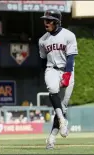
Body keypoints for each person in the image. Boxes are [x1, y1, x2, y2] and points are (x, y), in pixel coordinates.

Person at [38, 9, 78, 149]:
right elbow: (43, 60)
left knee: (63, 107)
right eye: (45, 20)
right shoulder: (42, 40)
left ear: (56, 21)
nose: (45, 22)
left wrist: (67, 74)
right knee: (52, 89)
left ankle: (51, 139)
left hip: (67, 70)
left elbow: (71, 57)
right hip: (51, 69)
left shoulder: (68, 35)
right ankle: (62, 120)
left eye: (48, 20)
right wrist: (45, 75)